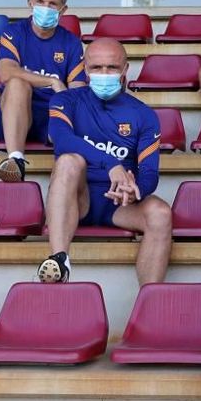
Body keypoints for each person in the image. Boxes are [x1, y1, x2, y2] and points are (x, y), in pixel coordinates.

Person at [38, 38, 172, 285]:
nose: (104, 73)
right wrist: (112, 164)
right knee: (68, 161)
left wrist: (136, 190)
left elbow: (150, 172)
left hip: (119, 204)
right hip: (76, 199)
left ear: (125, 70)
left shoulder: (144, 114)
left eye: (112, 67)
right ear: (85, 69)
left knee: (161, 213)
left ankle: (149, 300)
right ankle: (59, 261)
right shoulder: (65, 101)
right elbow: (61, 139)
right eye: (96, 67)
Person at [0, 0, 86, 182]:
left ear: (63, 10)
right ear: (30, 3)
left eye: (52, 4)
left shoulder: (71, 42)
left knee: (76, 111)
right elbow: (6, 72)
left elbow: (78, 89)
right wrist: (52, 81)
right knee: (18, 84)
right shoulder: (14, 32)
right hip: (12, 114)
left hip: (51, 115)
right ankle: (15, 161)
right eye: (40, 1)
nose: (46, 8)